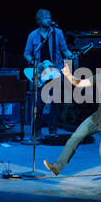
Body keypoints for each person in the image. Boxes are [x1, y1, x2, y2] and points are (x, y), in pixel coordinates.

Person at [43, 54, 101, 196]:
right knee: (75, 137)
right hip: (98, 118)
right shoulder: (100, 77)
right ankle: (57, 167)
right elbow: (79, 83)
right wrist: (69, 75)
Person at [23, 9, 73, 139]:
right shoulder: (33, 36)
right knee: (39, 103)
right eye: (45, 17)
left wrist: (71, 56)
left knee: (56, 103)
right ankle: (36, 132)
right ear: (39, 20)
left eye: (50, 17)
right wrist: (35, 64)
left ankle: (53, 131)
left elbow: (65, 50)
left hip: (56, 72)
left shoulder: (58, 33)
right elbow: (26, 54)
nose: (48, 19)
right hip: (40, 73)